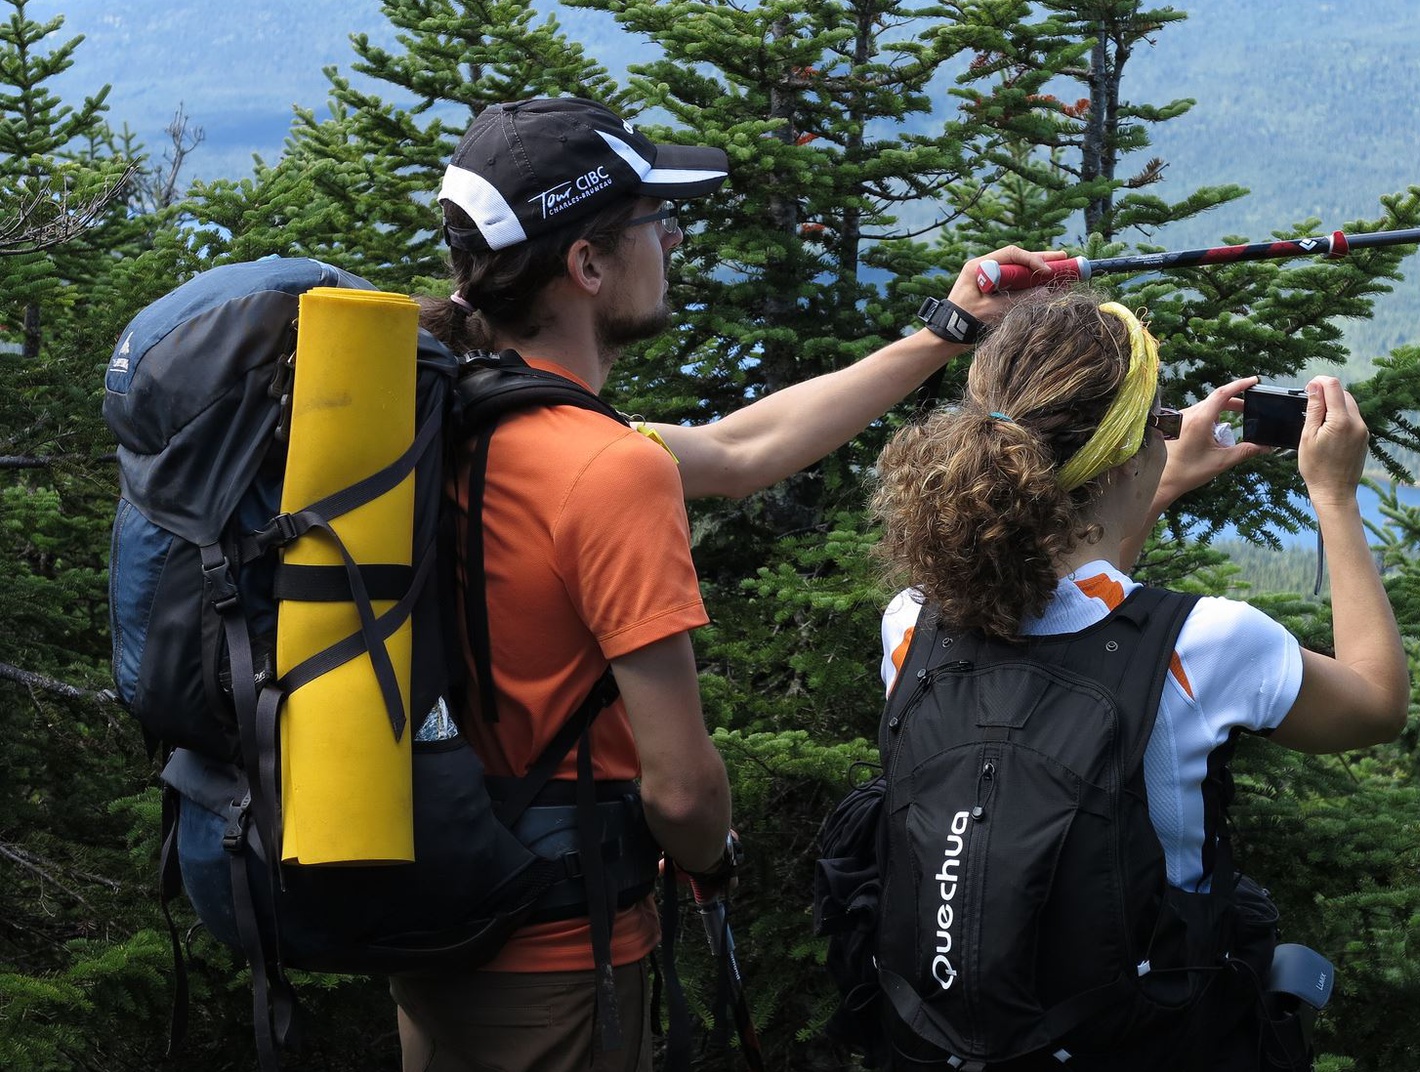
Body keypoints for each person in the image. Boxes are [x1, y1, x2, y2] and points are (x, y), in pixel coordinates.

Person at [399, 96, 1051, 1072]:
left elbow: (745, 448)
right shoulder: (605, 467)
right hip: (557, 956)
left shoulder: (454, 412)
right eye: (653, 221)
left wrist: (946, 331)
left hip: (441, 925)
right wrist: (710, 853)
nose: (670, 237)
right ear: (585, 266)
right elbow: (681, 784)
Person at [868, 287, 1410, 1068]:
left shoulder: (910, 622)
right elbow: (1376, 704)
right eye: (1156, 422)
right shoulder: (1211, 642)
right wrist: (1335, 495)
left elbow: (1059, 596)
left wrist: (1159, 478)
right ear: (1128, 452)